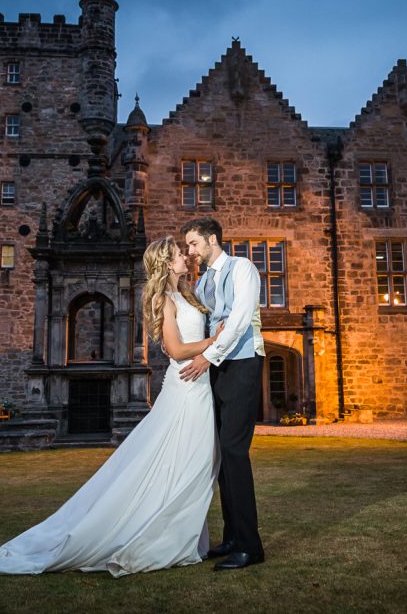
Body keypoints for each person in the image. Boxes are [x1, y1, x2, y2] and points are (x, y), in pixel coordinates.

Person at [0, 236, 222, 581]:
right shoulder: (166, 301)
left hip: (197, 387)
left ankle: (178, 532)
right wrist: (214, 341)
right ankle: (160, 535)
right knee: (181, 461)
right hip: (186, 386)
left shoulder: (188, 294)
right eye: (178, 252)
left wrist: (211, 343)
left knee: (191, 462)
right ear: (165, 263)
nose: (184, 255)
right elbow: (174, 350)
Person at [180, 217, 265, 570]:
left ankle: (250, 546)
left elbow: (240, 319)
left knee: (234, 450)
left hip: (244, 362)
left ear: (212, 239)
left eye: (193, 244)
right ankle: (231, 537)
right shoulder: (202, 284)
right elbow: (204, 323)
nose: (190, 251)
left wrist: (207, 356)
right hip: (217, 367)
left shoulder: (242, 268)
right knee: (222, 457)